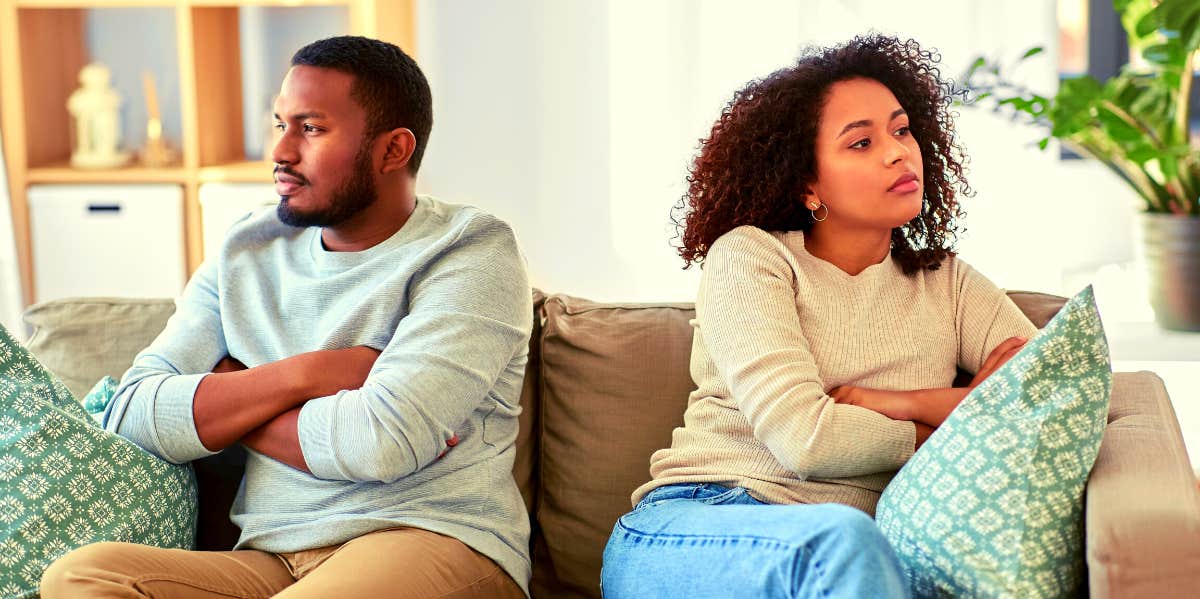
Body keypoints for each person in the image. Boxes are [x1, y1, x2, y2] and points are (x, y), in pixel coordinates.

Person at [41, 36, 531, 599]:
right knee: (80, 577)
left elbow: (379, 442)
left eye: (311, 129)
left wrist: (228, 398)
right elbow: (131, 412)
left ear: (393, 150)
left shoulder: (470, 251)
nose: (280, 151)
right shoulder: (246, 249)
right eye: (280, 124)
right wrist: (310, 374)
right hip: (271, 557)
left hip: (428, 538)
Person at [601, 34, 1037, 598]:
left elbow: (1050, 393)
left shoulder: (947, 283)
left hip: (854, 555)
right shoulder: (752, 257)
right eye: (861, 143)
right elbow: (807, 441)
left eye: (902, 130)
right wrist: (962, 421)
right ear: (808, 184)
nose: (898, 152)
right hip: (698, 523)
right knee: (841, 541)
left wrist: (894, 404)